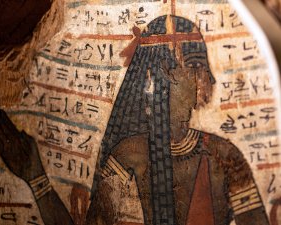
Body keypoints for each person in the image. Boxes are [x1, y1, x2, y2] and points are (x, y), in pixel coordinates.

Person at [0, 15, 270, 225]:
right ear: (159, 75)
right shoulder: (129, 154)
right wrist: (37, 178)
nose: (204, 80)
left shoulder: (224, 155)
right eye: (192, 68)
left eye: (200, 68)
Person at [85, 15, 270, 225]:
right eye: (197, 65)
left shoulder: (225, 156)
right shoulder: (126, 156)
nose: (209, 77)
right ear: (167, 72)